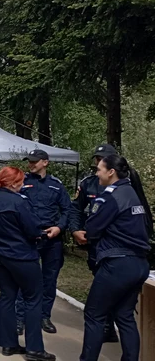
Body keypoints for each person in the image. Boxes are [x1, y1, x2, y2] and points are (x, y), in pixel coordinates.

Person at [79, 155, 152, 361]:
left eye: (99, 169)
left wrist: (85, 233)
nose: (96, 173)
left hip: (118, 264)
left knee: (94, 315)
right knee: (124, 316)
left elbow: (92, 228)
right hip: (139, 265)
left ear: (111, 172)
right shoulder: (132, 193)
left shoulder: (111, 196)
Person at [0, 167, 56, 361]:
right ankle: (35, 349)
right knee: (33, 299)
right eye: (21, 182)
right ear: (14, 183)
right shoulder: (18, 202)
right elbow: (32, 228)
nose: (23, 185)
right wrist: (42, 234)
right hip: (21, 256)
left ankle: (9, 344)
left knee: (7, 297)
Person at [16, 150, 71, 335]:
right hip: (29, 237)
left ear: (45, 163)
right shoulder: (22, 182)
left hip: (51, 238)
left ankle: (44, 316)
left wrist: (59, 228)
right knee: (25, 279)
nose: (30, 164)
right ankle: (20, 318)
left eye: (34, 161)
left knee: (49, 279)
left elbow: (67, 210)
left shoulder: (56, 185)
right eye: (29, 161)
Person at [69, 144, 120, 343]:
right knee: (100, 282)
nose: (99, 161)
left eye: (103, 158)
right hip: (95, 245)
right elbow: (76, 209)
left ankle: (112, 324)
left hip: (116, 244)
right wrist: (75, 230)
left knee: (114, 287)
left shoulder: (126, 184)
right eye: (97, 158)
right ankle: (106, 326)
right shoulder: (89, 183)